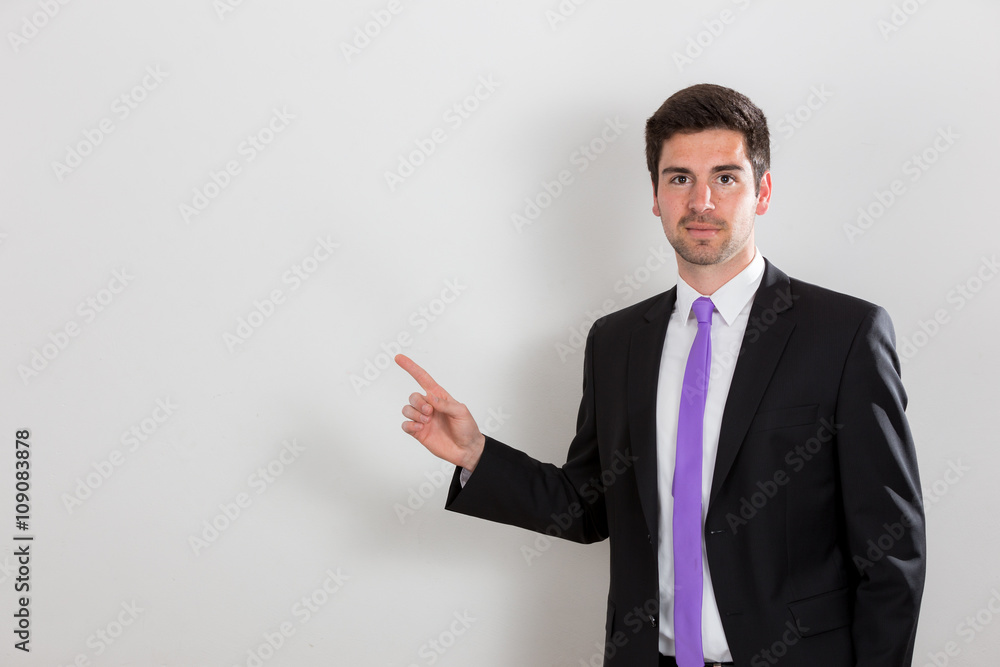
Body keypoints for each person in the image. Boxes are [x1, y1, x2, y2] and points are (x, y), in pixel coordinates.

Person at [395, 83, 925, 667]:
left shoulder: (844, 334)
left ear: (763, 191)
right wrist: (475, 454)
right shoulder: (617, 341)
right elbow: (590, 505)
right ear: (655, 195)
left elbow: (892, 547)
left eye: (726, 178)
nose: (701, 201)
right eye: (679, 178)